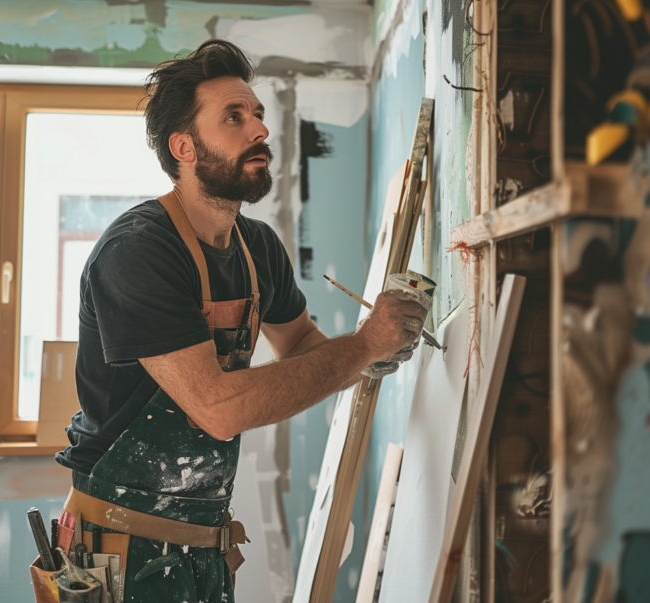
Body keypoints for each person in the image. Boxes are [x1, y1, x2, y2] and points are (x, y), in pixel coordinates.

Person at [52, 39, 426, 603]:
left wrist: (369, 354)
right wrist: (363, 346)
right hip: (118, 552)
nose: (260, 131)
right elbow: (217, 409)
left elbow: (301, 341)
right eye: (234, 117)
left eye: (257, 114)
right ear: (185, 146)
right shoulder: (138, 252)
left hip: (205, 549)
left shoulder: (258, 249)